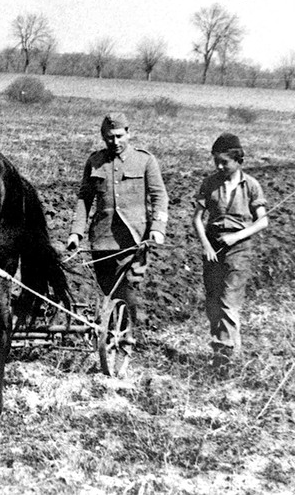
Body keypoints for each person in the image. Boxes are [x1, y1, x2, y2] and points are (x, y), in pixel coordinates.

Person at [66, 112, 169, 331]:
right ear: (103, 137)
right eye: (110, 137)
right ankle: (113, 334)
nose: (115, 142)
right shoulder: (95, 162)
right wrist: (76, 232)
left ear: (128, 133)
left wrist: (158, 228)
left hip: (134, 239)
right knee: (108, 292)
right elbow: (85, 198)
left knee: (128, 289)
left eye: (119, 136)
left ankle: (127, 337)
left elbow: (160, 196)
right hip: (102, 239)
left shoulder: (145, 160)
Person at [192, 133, 268, 371]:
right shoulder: (209, 183)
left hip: (239, 249)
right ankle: (228, 348)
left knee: (229, 300)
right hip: (213, 247)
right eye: (216, 161)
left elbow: (263, 221)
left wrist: (236, 236)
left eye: (224, 162)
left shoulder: (251, 185)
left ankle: (224, 358)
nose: (219, 167)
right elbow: (197, 219)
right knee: (213, 301)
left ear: (238, 160)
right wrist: (206, 245)